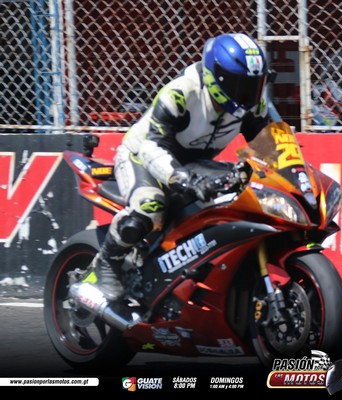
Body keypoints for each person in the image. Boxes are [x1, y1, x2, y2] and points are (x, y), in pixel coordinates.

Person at [85, 32, 272, 301]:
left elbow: (268, 147)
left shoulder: (252, 106)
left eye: (255, 85)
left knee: (237, 197)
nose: (248, 94)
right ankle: (107, 263)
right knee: (150, 207)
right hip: (141, 156)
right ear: (216, 78)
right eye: (241, 85)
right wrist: (183, 179)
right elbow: (151, 148)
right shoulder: (182, 93)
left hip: (193, 163)